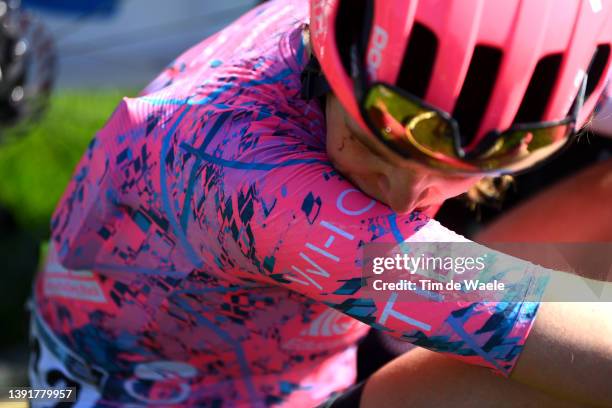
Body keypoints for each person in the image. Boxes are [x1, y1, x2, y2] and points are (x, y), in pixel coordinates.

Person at [29, 0, 612, 406]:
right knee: (545, 381)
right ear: (324, 76)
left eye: (463, 167)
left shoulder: (355, 34)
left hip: (288, 349)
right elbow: (534, 321)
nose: (407, 196)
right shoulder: (251, 181)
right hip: (138, 395)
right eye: (370, 143)